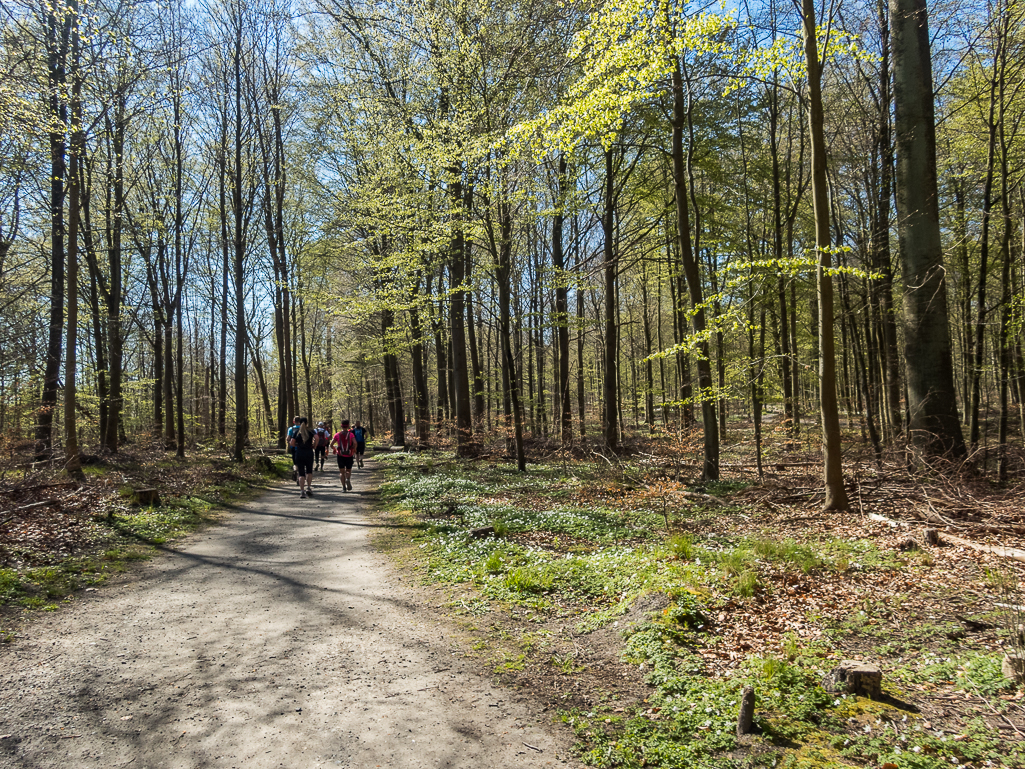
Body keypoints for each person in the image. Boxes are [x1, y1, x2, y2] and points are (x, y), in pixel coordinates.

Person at [290, 417, 318, 499]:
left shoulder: (297, 432)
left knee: (301, 472)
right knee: (309, 471)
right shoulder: (311, 431)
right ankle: (308, 487)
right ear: (307, 423)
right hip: (309, 452)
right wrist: (314, 445)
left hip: (299, 453)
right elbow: (317, 438)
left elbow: (291, 442)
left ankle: (302, 491)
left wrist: (296, 445)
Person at [331, 420, 356, 491]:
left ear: (341, 426)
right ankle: (347, 479)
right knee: (348, 470)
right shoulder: (351, 434)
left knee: (342, 472)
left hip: (340, 455)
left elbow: (331, 444)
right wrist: (354, 449)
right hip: (349, 454)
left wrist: (334, 449)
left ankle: (344, 487)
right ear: (348, 426)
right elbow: (355, 443)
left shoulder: (337, 435)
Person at [285, 415, 301, 482]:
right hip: (302, 448)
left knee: (295, 463)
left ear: (293, 421)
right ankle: (300, 477)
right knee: (301, 463)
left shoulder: (291, 429)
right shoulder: (303, 429)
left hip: (293, 447)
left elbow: (288, 438)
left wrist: (288, 441)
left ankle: (295, 470)